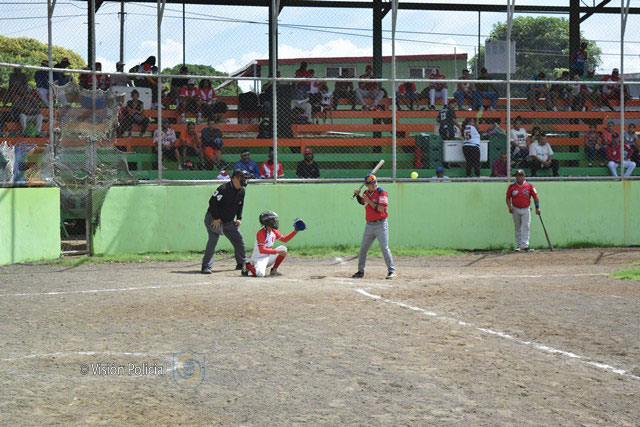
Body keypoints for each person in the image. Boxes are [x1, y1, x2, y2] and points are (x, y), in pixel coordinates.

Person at [201, 169, 250, 274]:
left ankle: (241, 263)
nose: (244, 180)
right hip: (213, 219)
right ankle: (206, 266)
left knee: (238, 239)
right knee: (213, 240)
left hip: (228, 221)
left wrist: (239, 218)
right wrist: (216, 218)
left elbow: (240, 204)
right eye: (242, 178)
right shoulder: (223, 189)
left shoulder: (242, 191)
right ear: (234, 178)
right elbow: (212, 202)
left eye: (245, 178)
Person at [352, 174, 396, 280]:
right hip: (369, 225)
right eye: (371, 183)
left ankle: (391, 271)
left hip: (381, 224)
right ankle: (360, 271)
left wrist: (369, 201)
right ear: (367, 185)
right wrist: (358, 195)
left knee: (384, 248)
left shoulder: (382, 192)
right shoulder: (366, 193)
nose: (374, 184)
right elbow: (362, 202)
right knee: (363, 248)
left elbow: (381, 209)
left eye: (375, 182)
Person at [244, 211, 301, 277]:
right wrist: (277, 252)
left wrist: (295, 231)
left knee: (283, 248)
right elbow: (262, 250)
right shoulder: (261, 233)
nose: (275, 221)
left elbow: (285, 239)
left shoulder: (273, 231)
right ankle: (248, 265)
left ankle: (274, 270)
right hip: (258, 259)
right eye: (272, 220)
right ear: (266, 221)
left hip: (268, 257)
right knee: (260, 274)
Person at [506, 169, 540, 252]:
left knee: (526, 226)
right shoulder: (511, 186)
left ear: (524, 177)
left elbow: (535, 197)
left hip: (526, 209)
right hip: (515, 209)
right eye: (517, 176)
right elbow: (507, 198)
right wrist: (509, 207)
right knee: (517, 227)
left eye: (521, 175)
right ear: (515, 177)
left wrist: (537, 207)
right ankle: (519, 245)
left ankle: (525, 246)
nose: (519, 177)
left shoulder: (530, 185)